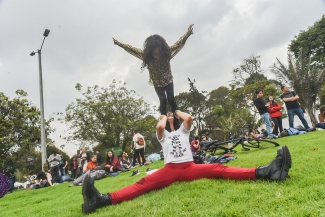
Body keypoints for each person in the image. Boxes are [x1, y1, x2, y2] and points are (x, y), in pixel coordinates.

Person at [81, 110, 292, 214]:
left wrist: (175, 109)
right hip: (171, 170)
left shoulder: (183, 131)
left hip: (190, 168)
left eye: (174, 119)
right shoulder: (163, 136)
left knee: (219, 168)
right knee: (142, 185)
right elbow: (160, 128)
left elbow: (189, 118)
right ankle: (100, 200)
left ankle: (266, 172)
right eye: (170, 119)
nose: (173, 120)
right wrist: (163, 116)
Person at [113, 24, 194, 115]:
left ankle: (177, 122)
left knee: (171, 99)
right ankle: (163, 121)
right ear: (150, 49)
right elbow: (131, 48)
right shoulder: (146, 56)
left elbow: (179, 43)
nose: (156, 51)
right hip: (157, 82)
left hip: (168, 79)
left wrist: (188, 32)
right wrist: (118, 43)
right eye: (154, 49)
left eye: (158, 49)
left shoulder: (166, 52)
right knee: (163, 101)